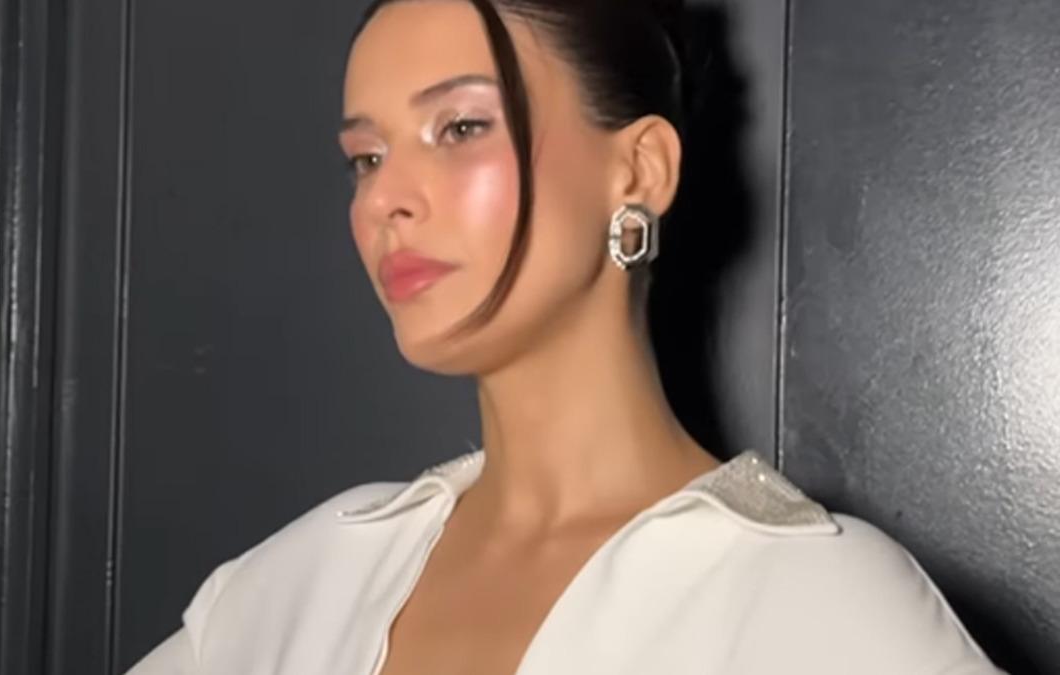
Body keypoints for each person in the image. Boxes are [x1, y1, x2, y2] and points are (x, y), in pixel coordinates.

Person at [127, 0, 1002, 673]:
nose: (383, 199)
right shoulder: (305, 577)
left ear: (639, 168)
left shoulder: (816, 603)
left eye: (461, 127)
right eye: (367, 156)